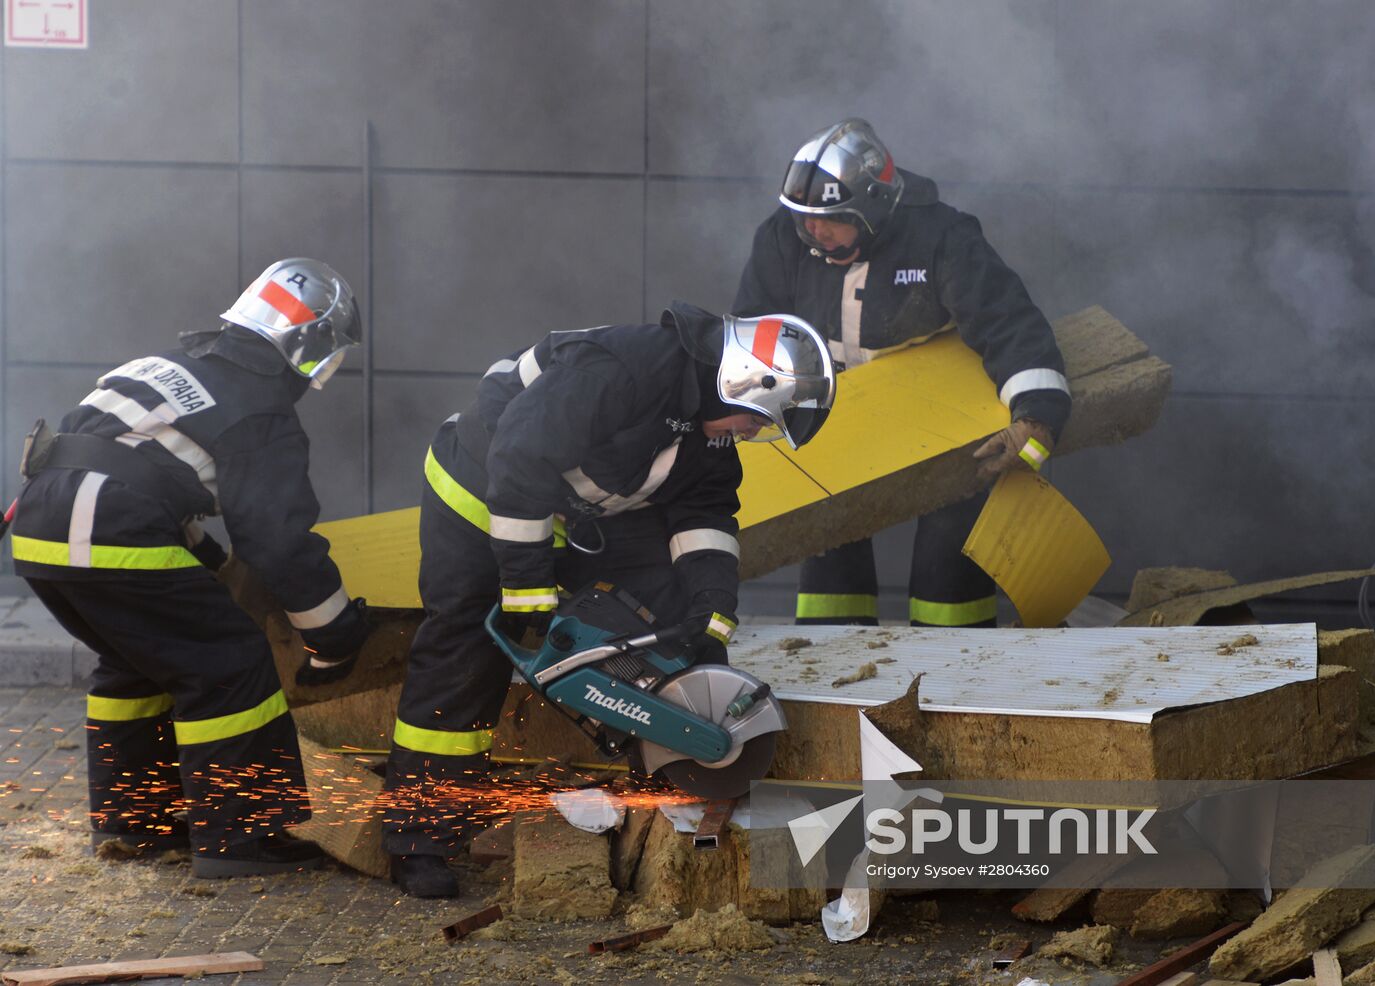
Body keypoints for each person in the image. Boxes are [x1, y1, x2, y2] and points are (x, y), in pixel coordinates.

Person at [382, 302, 836, 897]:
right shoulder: (623, 369)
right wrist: (527, 588)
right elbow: (519, 455)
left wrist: (709, 613)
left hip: (581, 511)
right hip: (481, 491)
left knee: (669, 618)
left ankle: (669, 777)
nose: (752, 433)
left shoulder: (710, 430)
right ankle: (420, 836)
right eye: (756, 420)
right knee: (464, 655)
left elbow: (705, 516)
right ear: (740, 381)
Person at [6, 258, 371, 877]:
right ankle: (240, 841)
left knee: (136, 661)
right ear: (312, 350)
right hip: (113, 532)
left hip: (41, 530)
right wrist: (334, 636)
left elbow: (140, 477)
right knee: (229, 665)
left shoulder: (162, 366)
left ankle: (136, 825)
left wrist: (214, 566)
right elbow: (278, 541)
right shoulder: (260, 411)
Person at [733, 118, 1072, 629]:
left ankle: (955, 665)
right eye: (804, 219)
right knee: (829, 551)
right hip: (833, 420)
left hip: (940, 422)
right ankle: (831, 662)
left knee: (949, 553)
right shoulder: (785, 237)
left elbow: (1007, 323)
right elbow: (755, 334)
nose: (813, 232)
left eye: (831, 219)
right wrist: (749, 406)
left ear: (872, 210)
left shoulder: (942, 238)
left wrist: (1036, 418)